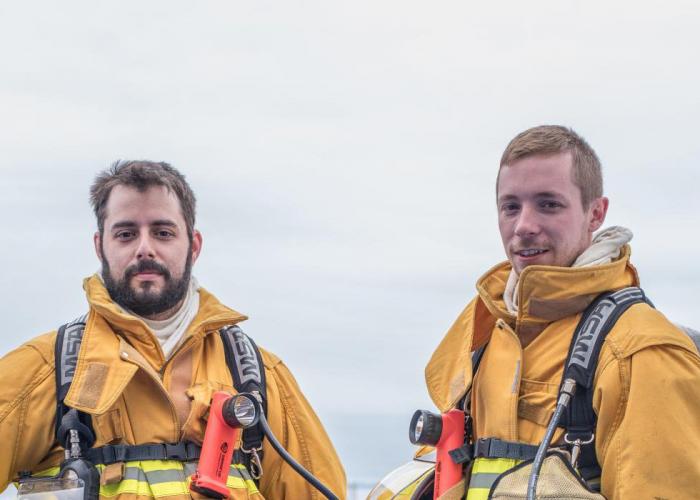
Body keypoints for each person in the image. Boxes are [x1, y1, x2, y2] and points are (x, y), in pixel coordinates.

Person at [0, 161, 346, 499]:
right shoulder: (44, 369)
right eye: (126, 234)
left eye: (163, 233)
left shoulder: (258, 375)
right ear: (99, 245)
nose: (144, 248)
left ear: (194, 245)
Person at [424, 126, 700, 498]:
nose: (524, 226)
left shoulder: (640, 349)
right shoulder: (485, 332)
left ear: (596, 213)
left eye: (548, 204)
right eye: (511, 207)